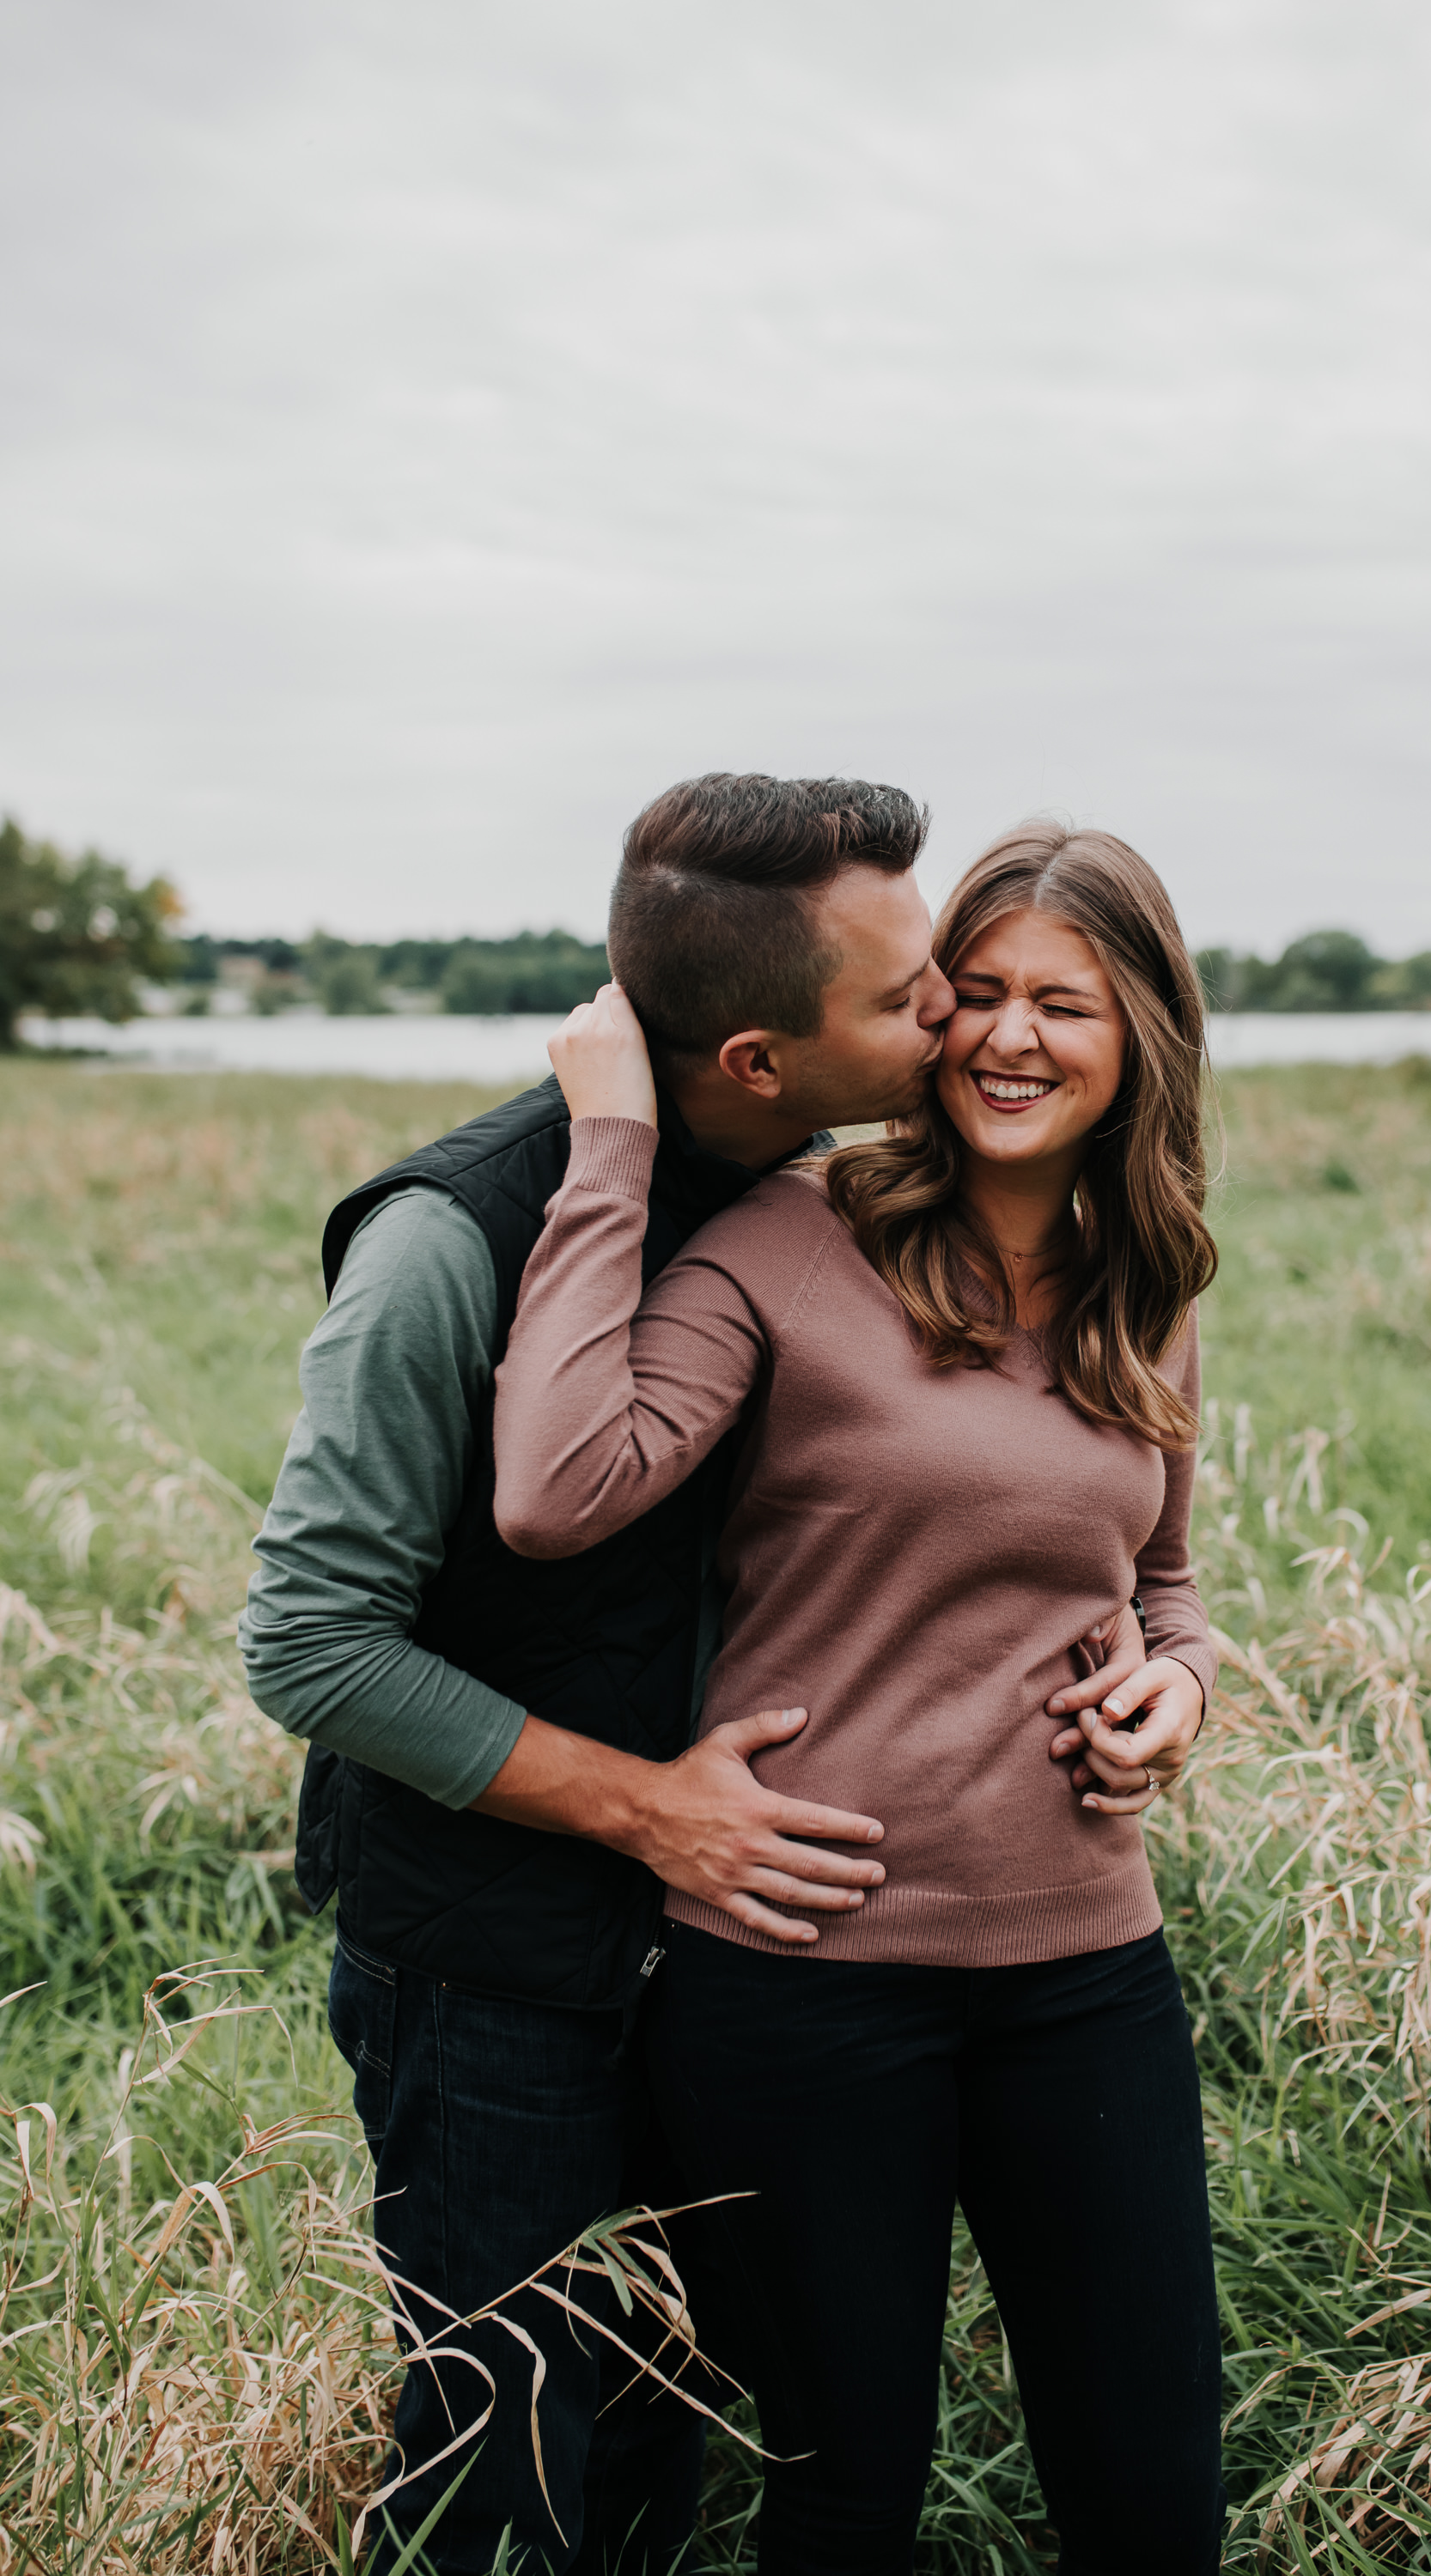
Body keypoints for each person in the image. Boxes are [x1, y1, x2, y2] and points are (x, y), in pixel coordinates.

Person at [240, 776, 1157, 2576]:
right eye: (912, 997)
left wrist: (1130, 1645)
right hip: (502, 1963)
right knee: (504, 2459)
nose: (956, 1019)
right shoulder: (453, 1242)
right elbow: (310, 1640)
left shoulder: (824, 1203)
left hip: (753, 1971)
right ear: (753, 1056)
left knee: (691, 2434)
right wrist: (646, 1809)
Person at [492, 821, 1228, 2574]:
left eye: (1065, 1003)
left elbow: (1164, 1582)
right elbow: (552, 1487)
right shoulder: (785, 1238)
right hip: (804, 1978)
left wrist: (1182, 1688)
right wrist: (612, 1142)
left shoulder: (1151, 1281)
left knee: (1152, 2493)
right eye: (971, 994)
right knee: (844, 2495)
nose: (1007, 1037)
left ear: (1140, 1040)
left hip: (1085, 1974)